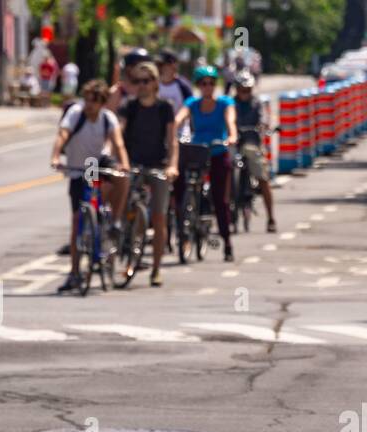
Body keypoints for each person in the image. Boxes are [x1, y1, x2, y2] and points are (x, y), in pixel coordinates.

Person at [50, 79, 130, 294]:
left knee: (122, 178)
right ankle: (75, 273)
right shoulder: (75, 114)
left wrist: (124, 164)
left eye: (94, 101)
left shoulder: (107, 118)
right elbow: (62, 135)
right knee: (77, 220)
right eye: (86, 99)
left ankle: (114, 221)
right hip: (77, 167)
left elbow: (119, 143)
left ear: (103, 102)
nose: (89, 104)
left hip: (96, 163)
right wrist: (56, 157)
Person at [119, 61, 178, 286]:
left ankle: (156, 269)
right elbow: (119, 131)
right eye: (136, 81)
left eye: (146, 81)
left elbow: (172, 141)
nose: (141, 86)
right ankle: (121, 247)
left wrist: (172, 165)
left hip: (158, 165)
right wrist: (117, 158)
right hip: (132, 164)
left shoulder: (165, 108)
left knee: (158, 216)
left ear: (155, 83)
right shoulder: (129, 106)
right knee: (120, 208)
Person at [174, 64, 239, 262]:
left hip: (217, 150)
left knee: (220, 200)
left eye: (211, 83)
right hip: (196, 150)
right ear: (198, 86)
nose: (207, 87)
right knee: (179, 185)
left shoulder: (225, 102)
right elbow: (179, 118)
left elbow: (230, 121)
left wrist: (232, 136)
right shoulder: (192, 103)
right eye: (203, 83)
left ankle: (227, 243)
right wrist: (171, 132)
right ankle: (182, 225)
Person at [232, 72, 276, 232]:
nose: (245, 93)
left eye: (248, 90)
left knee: (263, 178)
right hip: (234, 144)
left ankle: (271, 218)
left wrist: (263, 126)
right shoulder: (230, 104)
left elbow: (264, 119)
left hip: (252, 145)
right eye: (242, 90)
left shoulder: (257, 103)